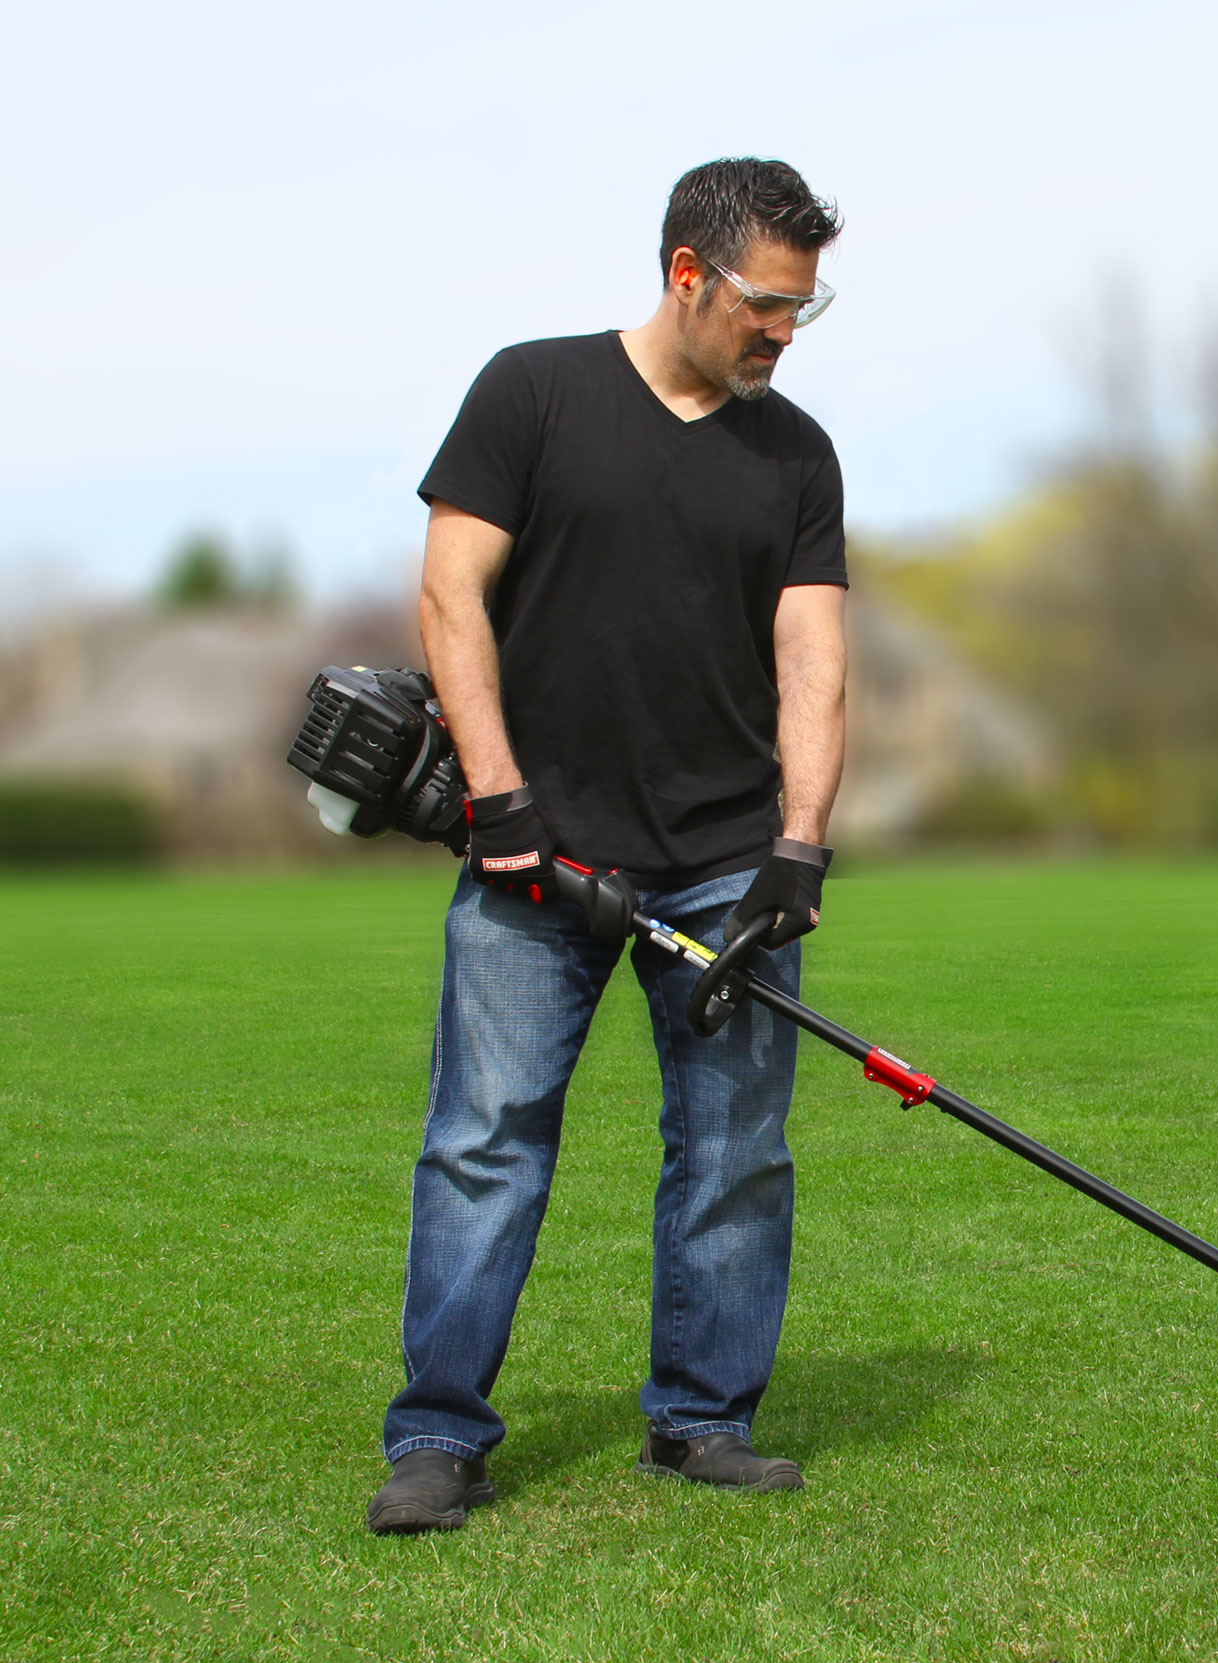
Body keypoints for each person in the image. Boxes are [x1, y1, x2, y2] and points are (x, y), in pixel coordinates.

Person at [366, 158, 848, 1534]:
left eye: (805, 310)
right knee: (486, 1142)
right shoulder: (534, 392)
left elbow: (813, 652)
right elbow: (449, 590)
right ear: (686, 273)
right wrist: (501, 802)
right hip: (540, 860)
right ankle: (439, 1438)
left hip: (723, 861)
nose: (783, 332)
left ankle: (700, 1423)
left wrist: (799, 849)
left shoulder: (796, 452)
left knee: (736, 1151)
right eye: (766, 303)